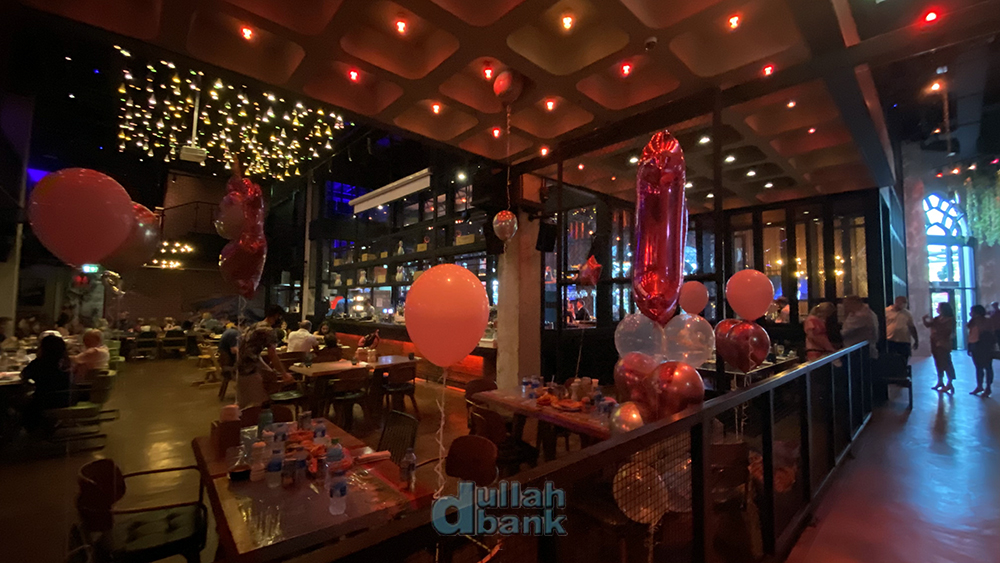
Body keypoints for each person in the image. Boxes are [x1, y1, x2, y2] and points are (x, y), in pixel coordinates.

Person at [236, 305, 293, 408]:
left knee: (245, 400)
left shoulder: (255, 325)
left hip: (241, 363)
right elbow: (272, 355)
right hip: (249, 368)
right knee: (254, 403)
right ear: (277, 316)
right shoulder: (269, 331)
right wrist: (284, 374)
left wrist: (268, 370)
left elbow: (249, 349)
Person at [20, 334, 73, 429]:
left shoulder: (40, 363)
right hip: (65, 400)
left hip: (44, 401)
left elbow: (24, 374)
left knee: (17, 399)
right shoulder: (66, 363)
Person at [923, 302, 956, 393]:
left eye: (939, 307)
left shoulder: (949, 320)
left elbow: (948, 331)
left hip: (943, 343)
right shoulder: (937, 318)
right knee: (938, 362)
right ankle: (940, 381)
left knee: (946, 362)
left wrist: (938, 332)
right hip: (935, 342)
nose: (937, 309)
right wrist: (924, 319)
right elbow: (928, 325)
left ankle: (949, 382)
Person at [967, 304, 995, 397]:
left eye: (972, 311)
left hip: (982, 345)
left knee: (985, 367)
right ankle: (981, 386)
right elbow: (971, 334)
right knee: (981, 367)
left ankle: (986, 387)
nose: (970, 313)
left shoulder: (983, 321)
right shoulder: (974, 321)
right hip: (978, 345)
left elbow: (984, 332)